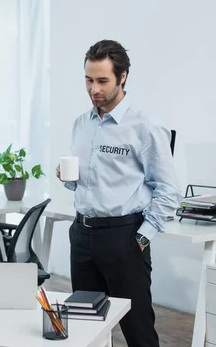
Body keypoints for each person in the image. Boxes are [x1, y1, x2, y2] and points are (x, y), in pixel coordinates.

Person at [56, 39, 181, 347]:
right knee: (85, 329)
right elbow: (87, 183)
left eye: (102, 81)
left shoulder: (145, 125)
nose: (93, 89)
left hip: (123, 238)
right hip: (82, 235)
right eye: (88, 80)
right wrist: (68, 179)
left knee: (137, 330)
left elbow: (169, 190)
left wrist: (141, 237)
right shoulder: (81, 124)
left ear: (122, 77)